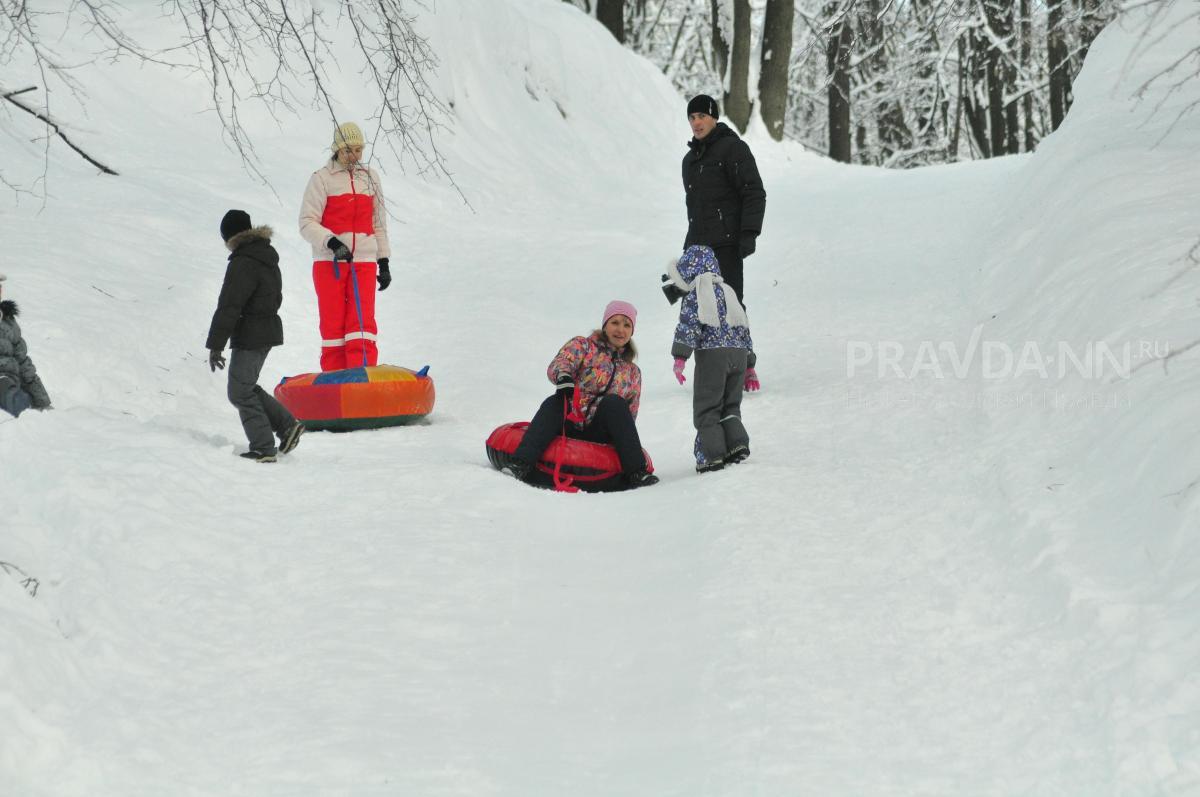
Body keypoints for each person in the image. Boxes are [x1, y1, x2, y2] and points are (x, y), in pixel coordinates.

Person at [505, 301, 659, 490]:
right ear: (605, 325)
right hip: (569, 421)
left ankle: (637, 472)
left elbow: (630, 412)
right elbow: (561, 362)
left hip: (599, 432)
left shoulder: (632, 371)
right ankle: (521, 463)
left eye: (627, 325)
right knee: (555, 402)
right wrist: (564, 377)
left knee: (615, 403)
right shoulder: (583, 346)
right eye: (615, 322)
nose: (620, 329)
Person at [682, 94, 766, 391]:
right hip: (700, 248)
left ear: (713, 117)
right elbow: (694, 211)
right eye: (691, 118)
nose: (696, 123)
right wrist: (687, 250)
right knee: (700, 308)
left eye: (701, 116)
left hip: (728, 244)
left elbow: (754, 192)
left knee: (732, 304)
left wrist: (748, 234)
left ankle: (746, 365)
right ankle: (713, 368)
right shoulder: (689, 161)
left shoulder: (733, 149)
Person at [206, 210, 304, 463]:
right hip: (266, 330)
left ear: (230, 236)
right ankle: (287, 426)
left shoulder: (243, 262)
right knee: (245, 387)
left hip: (251, 333)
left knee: (239, 392)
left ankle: (263, 447)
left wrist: (216, 345)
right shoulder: (265, 256)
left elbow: (230, 305)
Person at [299, 122, 392, 372]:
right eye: (349, 150)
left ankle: (362, 380)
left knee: (361, 326)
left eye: (359, 150)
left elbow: (378, 223)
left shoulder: (370, 178)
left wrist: (383, 262)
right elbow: (307, 223)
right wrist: (331, 242)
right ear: (337, 150)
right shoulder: (321, 179)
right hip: (330, 263)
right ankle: (336, 383)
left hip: (364, 262)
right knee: (333, 326)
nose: (355, 156)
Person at [666, 245, 752, 473]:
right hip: (738, 355)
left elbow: (688, 326)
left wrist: (680, 357)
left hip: (713, 356)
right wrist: (750, 364)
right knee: (730, 405)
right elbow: (743, 325)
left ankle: (712, 456)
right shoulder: (728, 291)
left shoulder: (697, 293)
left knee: (708, 408)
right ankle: (737, 444)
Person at [0, 273, 52, 417]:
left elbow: (23, 364)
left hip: (10, 387)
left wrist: (43, 402)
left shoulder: (8, 323)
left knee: (20, 399)